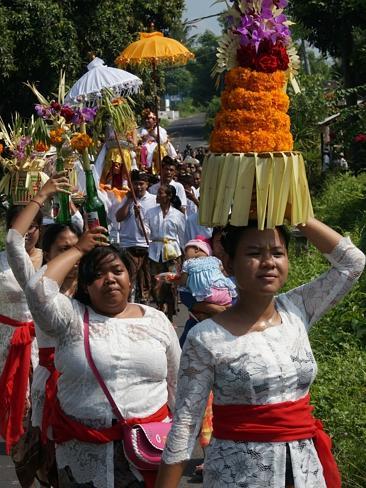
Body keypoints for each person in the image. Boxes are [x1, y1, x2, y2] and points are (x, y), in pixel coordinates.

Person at [156, 218, 365, 488]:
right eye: (254, 253)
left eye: (277, 253)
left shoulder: (297, 309)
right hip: (238, 476)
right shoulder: (204, 337)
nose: (268, 262)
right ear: (229, 264)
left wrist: (299, 216)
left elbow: (352, 263)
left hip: (305, 472)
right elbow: (185, 426)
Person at [22, 228, 181, 488]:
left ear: (130, 277)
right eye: (97, 275)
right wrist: (78, 250)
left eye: (117, 271)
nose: (109, 279)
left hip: (149, 453)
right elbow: (37, 291)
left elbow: (179, 387)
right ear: (85, 285)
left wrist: (179, 451)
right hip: (82, 455)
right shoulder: (70, 317)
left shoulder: (157, 321)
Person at [6, 173, 82, 486]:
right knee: (51, 466)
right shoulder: (38, 287)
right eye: (64, 249)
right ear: (48, 256)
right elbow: (13, 241)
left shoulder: (95, 290)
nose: (72, 255)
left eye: (77, 248)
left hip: (86, 389)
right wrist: (43, 193)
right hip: (49, 386)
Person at [0, 204, 42, 486]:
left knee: (46, 420)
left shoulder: (54, 257)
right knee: (19, 424)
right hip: (6, 346)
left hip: (46, 348)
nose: (26, 233)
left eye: (31, 226)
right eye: (19, 227)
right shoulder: (1, 261)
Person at [115, 170, 157, 303]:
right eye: (135, 184)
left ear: (147, 185)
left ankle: (146, 304)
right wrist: (128, 201)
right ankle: (128, 303)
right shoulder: (127, 198)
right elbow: (119, 217)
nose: (138, 187)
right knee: (129, 278)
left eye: (141, 184)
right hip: (128, 244)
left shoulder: (154, 200)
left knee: (146, 281)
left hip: (146, 244)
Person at [145, 184, 185, 321]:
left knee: (171, 283)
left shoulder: (178, 215)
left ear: (168, 196)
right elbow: (145, 230)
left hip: (172, 252)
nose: (157, 196)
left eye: (161, 193)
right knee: (156, 283)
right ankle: (160, 309)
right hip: (155, 251)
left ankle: (170, 314)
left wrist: (185, 255)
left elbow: (183, 235)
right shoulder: (150, 213)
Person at [178, 236, 236, 307]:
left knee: (183, 290)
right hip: (223, 292)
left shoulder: (188, 263)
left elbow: (183, 281)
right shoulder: (215, 259)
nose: (185, 255)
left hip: (203, 295)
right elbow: (225, 273)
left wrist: (178, 281)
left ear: (196, 249)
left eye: (186, 251)